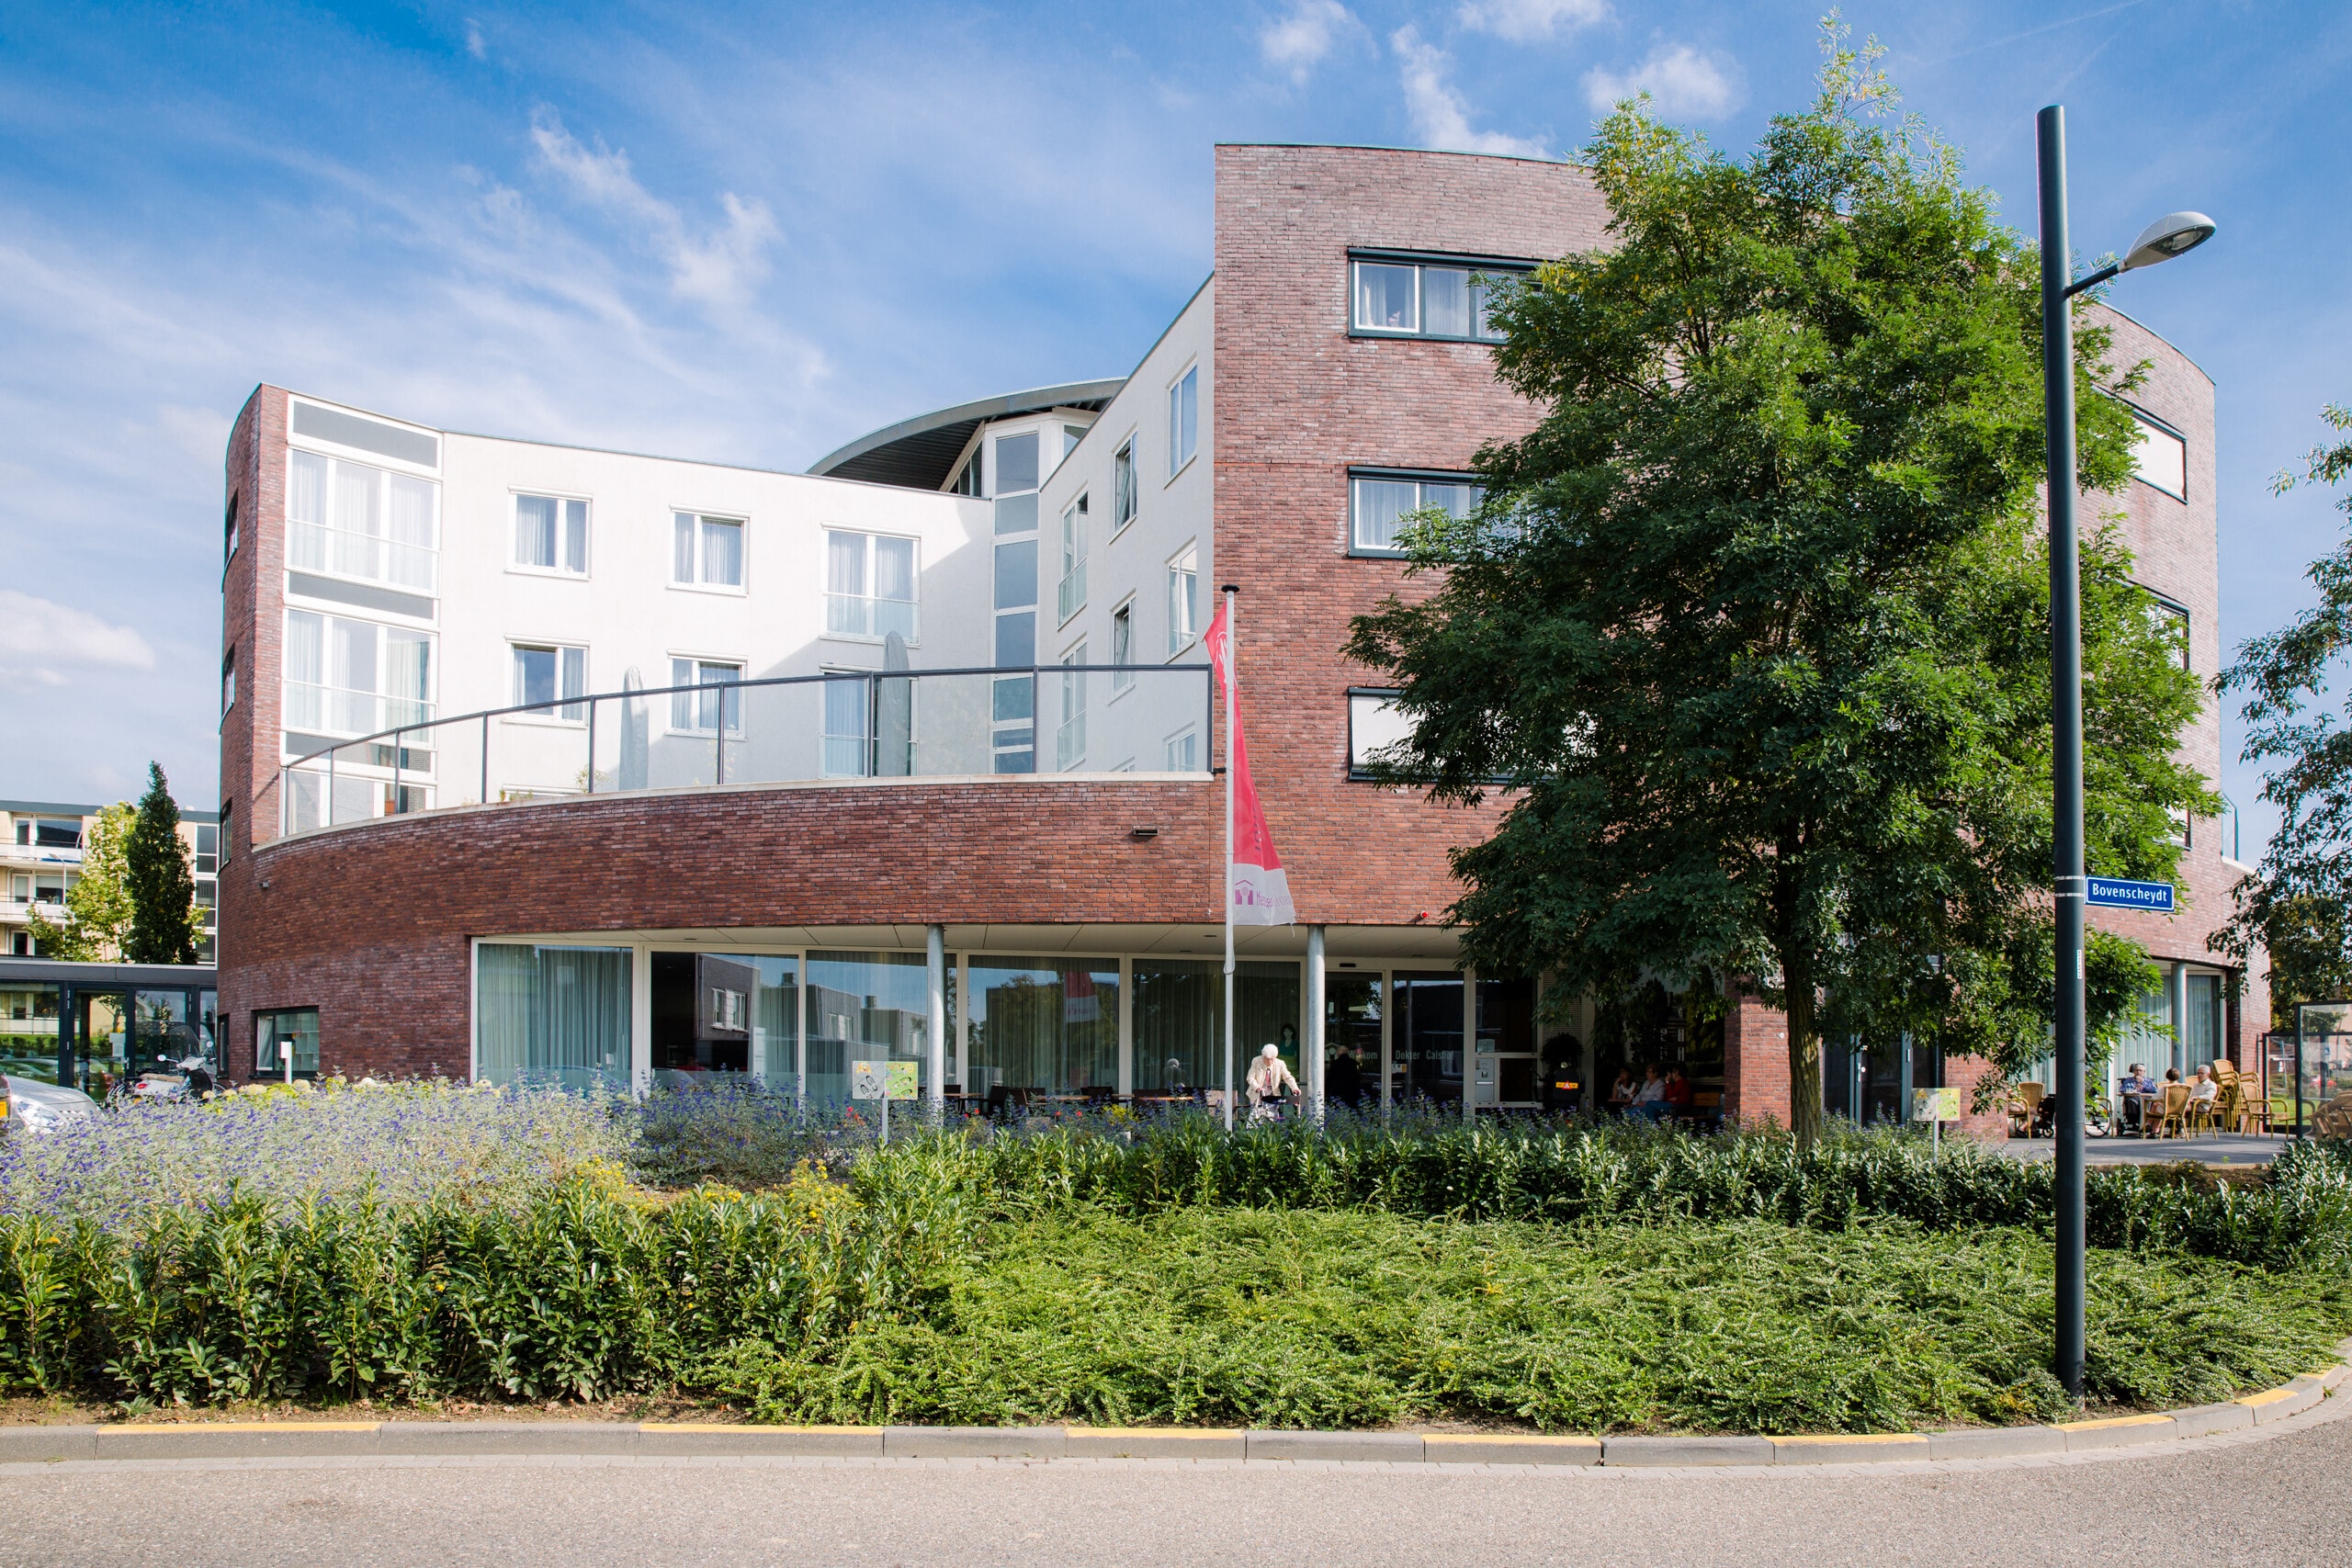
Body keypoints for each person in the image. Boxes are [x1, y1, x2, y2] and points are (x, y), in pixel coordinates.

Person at [1246, 1043, 1300, 1123]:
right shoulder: (1256, 1061)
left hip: (1273, 1095)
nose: (1270, 1062)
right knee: (1255, 1120)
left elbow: (1288, 1077)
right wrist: (1257, 1087)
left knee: (1272, 1120)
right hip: (1257, 1095)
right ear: (1263, 1057)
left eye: (1272, 1059)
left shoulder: (1280, 1063)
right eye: (1267, 1059)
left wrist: (1294, 1088)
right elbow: (1250, 1077)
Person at [1325, 1043, 1363, 1110]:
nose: (1337, 1053)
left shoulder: (1335, 1063)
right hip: (1351, 1091)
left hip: (1338, 1091)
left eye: (1337, 1052)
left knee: (1338, 1109)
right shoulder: (1353, 1062)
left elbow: (1330, 1078)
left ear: (1339, 1052)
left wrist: (1327, 1091)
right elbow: (1357, 1077)